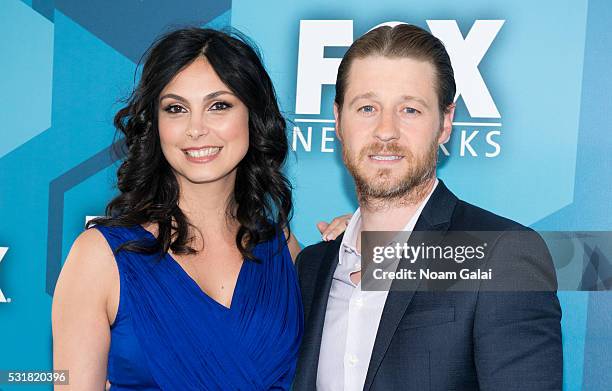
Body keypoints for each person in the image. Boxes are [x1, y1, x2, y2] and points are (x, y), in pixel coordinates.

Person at [51, 27, 347, 390]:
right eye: (176, 109)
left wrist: (363, 239)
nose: (196, 128)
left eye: (218, 106)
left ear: (252, 116)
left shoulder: (282, 247)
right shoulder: (98, 257)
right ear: (155, 124)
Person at [293, 24, 562, 390]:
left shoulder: (502, 255)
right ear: (338, 120)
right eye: (367, 107)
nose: (386, 130)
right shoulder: (312, 267)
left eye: (410, 110)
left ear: (445, 123)